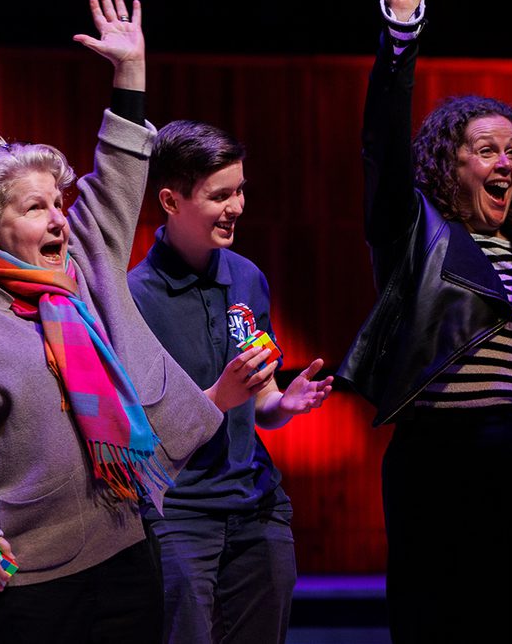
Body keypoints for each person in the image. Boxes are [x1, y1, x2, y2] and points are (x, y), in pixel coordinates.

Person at [0, 0, 269, 644]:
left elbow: (118, 175)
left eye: (59, 203)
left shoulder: (80, 272)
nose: (59, 219)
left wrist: (130, 73)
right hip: (20, 578)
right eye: (36, 207)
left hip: (123, 550)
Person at [337, 0, 512, 643]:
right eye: (486, 150)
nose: (505, 162)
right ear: (448, 163)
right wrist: (401, 28)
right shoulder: (413, 232)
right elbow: (381, 143)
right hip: (445, 460)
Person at [127, 120, 334, 644]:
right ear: (171, 201)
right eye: (220, 196)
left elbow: (260, 400)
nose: (237, 206)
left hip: (254, 503)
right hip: (178, 511)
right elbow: (136, 428)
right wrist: (218, 397)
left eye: (240, 190)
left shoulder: (246, 277)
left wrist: (283, 403)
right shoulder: (133, 298)